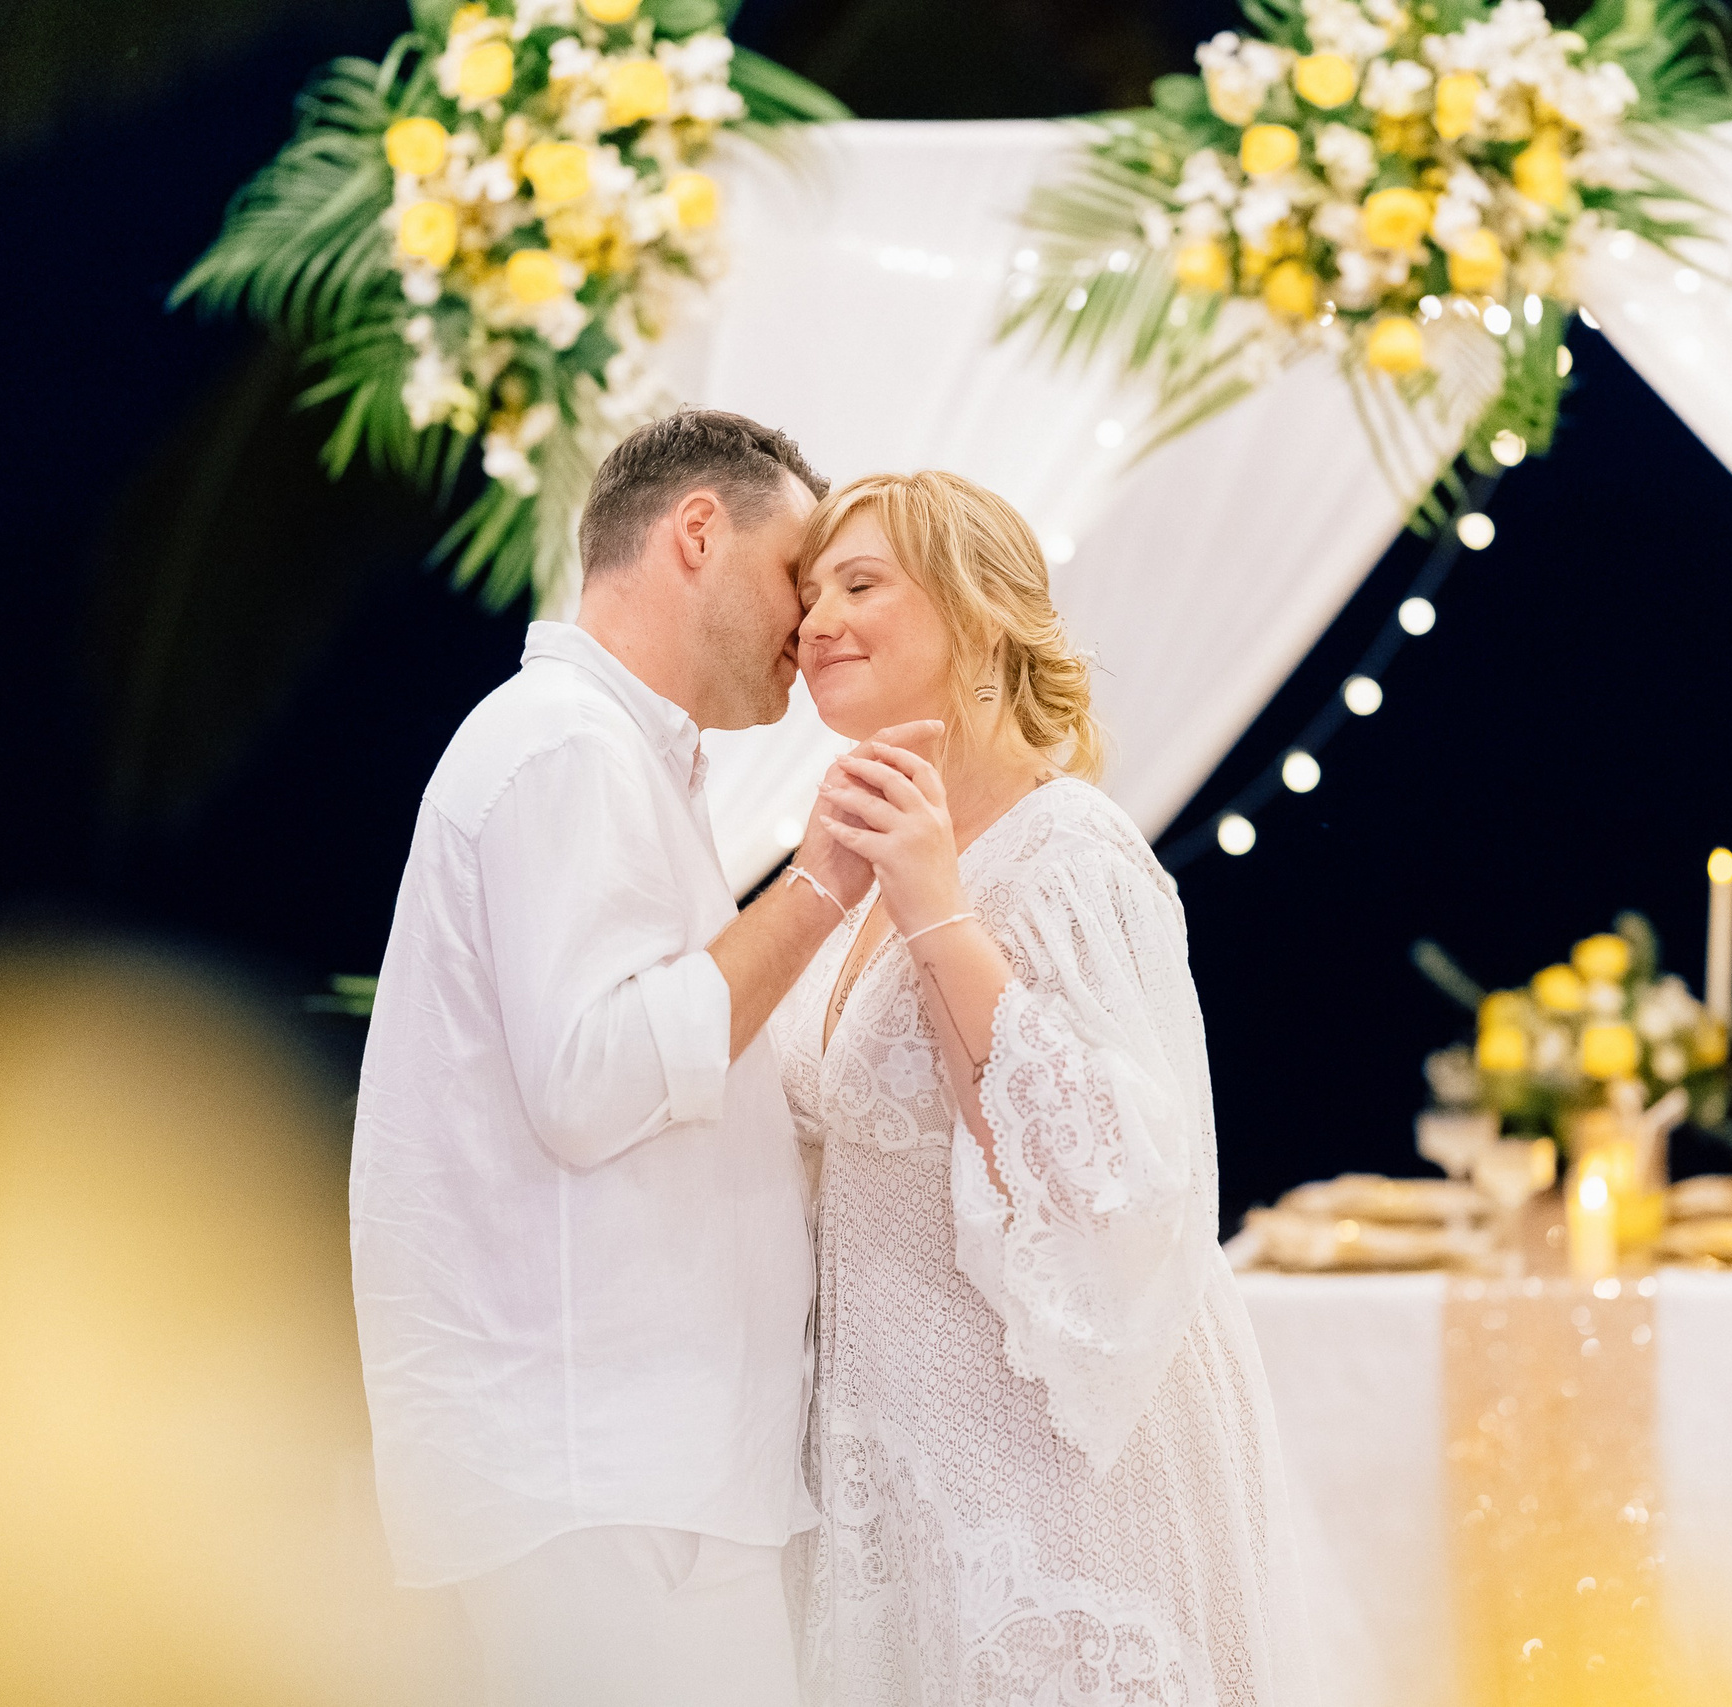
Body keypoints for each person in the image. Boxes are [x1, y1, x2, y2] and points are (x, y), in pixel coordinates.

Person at [350, 411, 914, 1707]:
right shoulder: (564, 745)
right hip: (602, 1472)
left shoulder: (607, 754)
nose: (811, 613)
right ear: (697, 532)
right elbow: (594, 1077)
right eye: (797, 572)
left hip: (635, 1472)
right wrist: (822, 883)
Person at [773, 471, 1313, 1703]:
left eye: (860, 584)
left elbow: (1099, 1178)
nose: (816, 624)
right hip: (898, 1453)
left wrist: (934, 911)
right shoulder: (862, 845)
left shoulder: (1068, 854)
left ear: (977, 616)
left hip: (1057, 1468)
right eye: (806, 598)